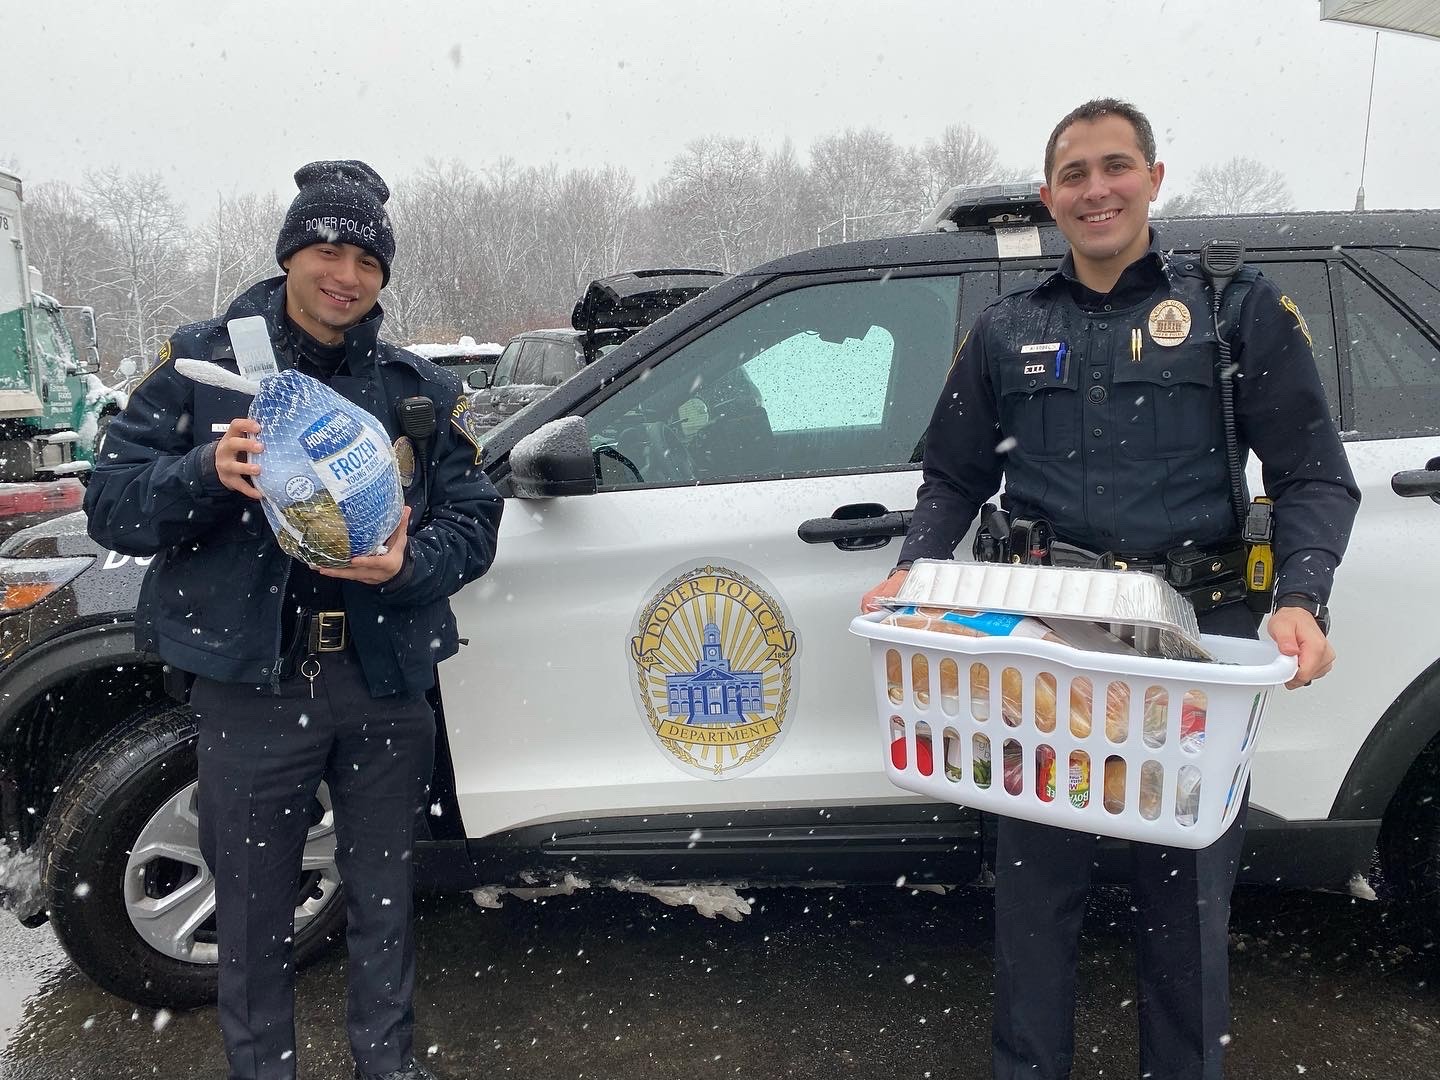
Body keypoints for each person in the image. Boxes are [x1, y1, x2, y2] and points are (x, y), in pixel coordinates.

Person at [861, 100, 1359, 1080]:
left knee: (1186, 910)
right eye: (1075, 174)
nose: (1097, 189)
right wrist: (915, 569)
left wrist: (1301, 596)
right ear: (1050, 198)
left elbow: (1313, 473)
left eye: (1116, 167)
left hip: (1192, 650)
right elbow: (953, 475)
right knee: (1034, 903)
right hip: (1049, 647)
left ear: (1155, 179)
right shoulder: (1009, 329)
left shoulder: (1233, 308)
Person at [84, 160, 502, 1080]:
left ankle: (385, 1065)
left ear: (384, 277)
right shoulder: (202, 368)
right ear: (290, 256)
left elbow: (474, 523)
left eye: (366, 259)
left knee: (387, 897)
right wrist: (204, 471)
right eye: (326, 249)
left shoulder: (414, 387)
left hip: (385, 681)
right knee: (252, 907)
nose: (345, 274)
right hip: (255, 688)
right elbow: (110, 506)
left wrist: (407, 564)